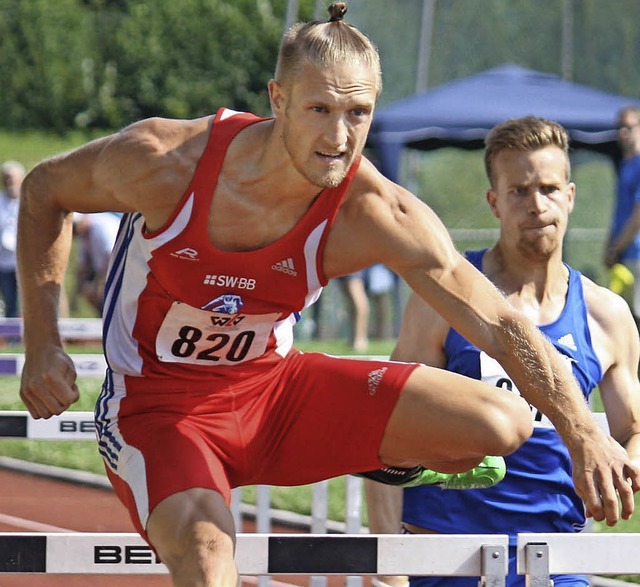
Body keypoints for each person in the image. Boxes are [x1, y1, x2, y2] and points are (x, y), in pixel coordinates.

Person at [16, 4, 638, 586]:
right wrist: (43, 340)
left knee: (500, 423)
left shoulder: (373, 211)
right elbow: (45, 191)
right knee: (209, 555)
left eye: (359, 114)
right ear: (278, 99)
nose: (340, 138)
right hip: (160, 409)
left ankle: (383, 457)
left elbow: (500, 323)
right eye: (320, 110)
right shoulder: (166, 161)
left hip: (274, 395)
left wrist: (583, 431)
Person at [365, 116, 640, 587]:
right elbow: (385, 432)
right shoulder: (444, 300)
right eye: (519, 191)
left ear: (570, 196)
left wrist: (623, 470)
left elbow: (632, 431)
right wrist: (390, 571)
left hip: (553, 559)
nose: (537, 205)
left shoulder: (605, 315)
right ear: (495, 202)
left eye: (550, 189)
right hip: (449, 555)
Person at [604, 105, 640, 329]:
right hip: (624, 256)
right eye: (620, 127)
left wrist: (616, 248)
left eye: (629, 127)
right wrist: (610, 247)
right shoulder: (626, 164)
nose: (623, 133)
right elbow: (621, 212)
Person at [71, 211, 122, 315]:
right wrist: (75, 295)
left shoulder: (101, 226)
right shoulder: (84, 234)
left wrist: (102, 284)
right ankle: (104, 316)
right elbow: (83, 267)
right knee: (88, 289)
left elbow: (111, 256)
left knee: (101, 293)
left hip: (120, 268)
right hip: (105, 270)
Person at [0, 160, 24, 318]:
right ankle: (12, 339)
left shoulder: (30, 200)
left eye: (13, 177)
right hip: (3, 261)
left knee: (26, 301)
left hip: (24, 261)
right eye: (7, 177)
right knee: (9, 300)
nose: (10, 181)